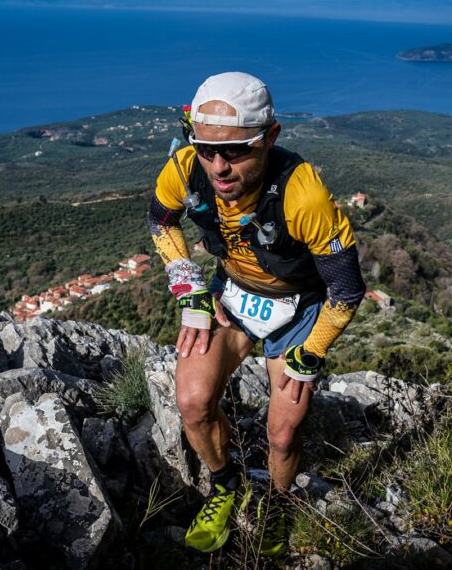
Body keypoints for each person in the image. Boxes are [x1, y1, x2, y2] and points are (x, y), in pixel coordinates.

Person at [147, 71, 366, 555]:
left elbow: (347, 289)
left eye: (236, 150)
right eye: (206, 149)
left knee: (284, 434)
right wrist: (189, 290)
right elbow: (160, 220)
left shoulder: (302, 195)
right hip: (232, 295)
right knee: (192, 401)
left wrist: (311, 354)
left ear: (269, 138)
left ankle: (280, 502)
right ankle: (226, 484)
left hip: (300, 306)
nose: (219, 167)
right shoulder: (186, 168)